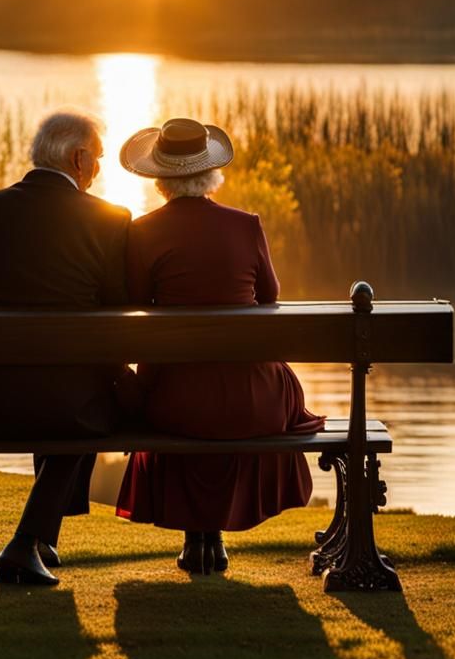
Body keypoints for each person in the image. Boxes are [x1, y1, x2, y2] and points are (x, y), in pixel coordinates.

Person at [0, 109, 131, 586]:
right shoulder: (109, 220)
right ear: (78, 159)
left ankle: (42, 540)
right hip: (68, 409)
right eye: (98, 158)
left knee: (62, 391)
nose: (99, 169)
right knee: (82, 403)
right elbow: (118, 316)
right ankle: (27, 541)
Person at [115, 117, 324, 576]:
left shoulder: (143, 231)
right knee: (250, 387)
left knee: (184, 393)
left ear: (161, 178)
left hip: (177, 404)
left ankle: (198, 539)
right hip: (252, 401)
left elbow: (135, 311)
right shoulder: (246, 225)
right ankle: (212, 537)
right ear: (210, 172)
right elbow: (269, 298)